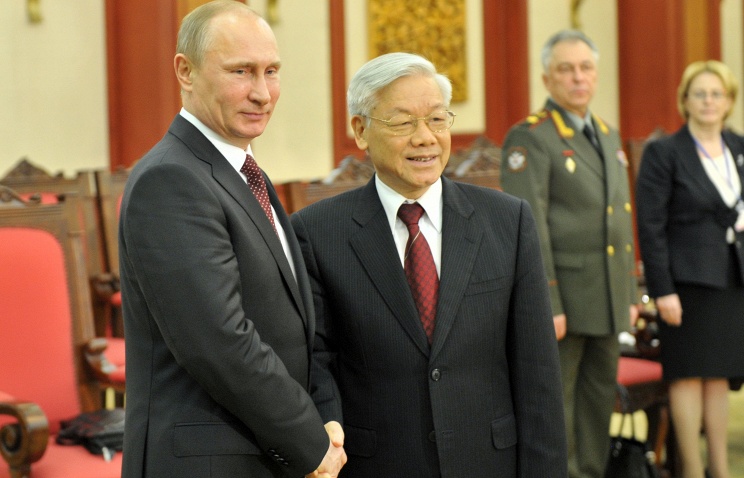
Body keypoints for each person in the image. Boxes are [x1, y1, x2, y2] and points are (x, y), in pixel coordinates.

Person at [290, 52, 567, 477]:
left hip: (489, 462)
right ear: (361, 130)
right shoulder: (317, 231)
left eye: (437, 119)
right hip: (377, 464)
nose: (425, 138)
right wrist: (327, 432)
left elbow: (538, 372)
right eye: (403, 123)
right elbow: (316, 359)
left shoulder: (507, 221)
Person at [119, 2, 346, 477]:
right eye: (241, 71)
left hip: (261, 451)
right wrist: (309, 441)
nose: (261, 93)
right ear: (185, 71)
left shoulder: (242, 169)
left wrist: (325, 416)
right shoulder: (170, 180)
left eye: (271, 71)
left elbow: (291, 322)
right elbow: (219, 344)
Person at [500, 30, 638, 478]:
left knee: (597, 404)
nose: (578, 77)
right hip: (565, 299)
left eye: (586, 68)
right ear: (547, 78)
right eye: (566, 69)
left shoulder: (607, 134)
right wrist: (548, 301)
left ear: (596, 75)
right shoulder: (531, 137)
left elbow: (620, 219)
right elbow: (529, 228)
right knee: (557, 408)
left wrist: (629, 293)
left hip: (608, 296)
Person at [636, 60, 744, 478]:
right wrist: (662, 290)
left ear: (729, 100)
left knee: (718, 376)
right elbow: (650, 226)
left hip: (731, 279)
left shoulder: (739, 147)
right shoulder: (665, 152)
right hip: (685, 284)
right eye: (699, 93)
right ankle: (693, 471)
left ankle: (721, 469)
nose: (708, 101)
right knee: (686, 377)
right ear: (685, 100)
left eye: (717, 94)